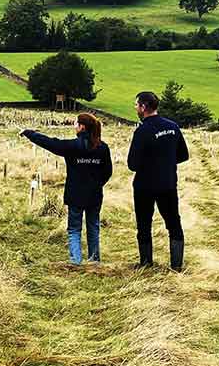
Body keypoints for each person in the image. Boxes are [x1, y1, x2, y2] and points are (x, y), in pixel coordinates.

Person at [20, 113, 113, 264]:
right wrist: (96, 184)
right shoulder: (103, 148)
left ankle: (76, 262)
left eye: (76, 123)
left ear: (82, 127)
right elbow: (107, 172)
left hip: (75, 194)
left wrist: (30, 134)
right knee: (93, 227)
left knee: (74, 229)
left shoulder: (72, 146)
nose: (74, 126)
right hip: (95, 195)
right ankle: (94, 261)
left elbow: (50, 143)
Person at [127, 90, 190, 271]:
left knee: (144, 224)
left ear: (144, 107)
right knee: (173, 223)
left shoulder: (142, 131)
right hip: (168, 183)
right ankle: (176, 265)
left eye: (137, 105)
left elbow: (132, 164)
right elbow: (183, 155)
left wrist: (150, 164)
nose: (136, 108)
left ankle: (146, 263)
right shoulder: (173, 127)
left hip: (144, 186)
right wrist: (166, 163)